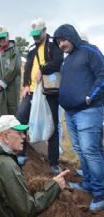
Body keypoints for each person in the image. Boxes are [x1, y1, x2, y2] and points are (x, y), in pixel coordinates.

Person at [0, 115, 70, 217]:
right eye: (19, 133)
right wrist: (55, 186)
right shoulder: (7, 166)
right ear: (6, 136)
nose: (24, 136)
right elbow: (27, 210)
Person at [54, 24, 104, 211]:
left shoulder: (90, 51)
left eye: (63, 40)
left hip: (88, 111)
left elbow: (102, 75)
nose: (61, 44)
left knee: (91, 151)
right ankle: (89, 183)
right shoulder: (68, 58)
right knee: (81, 151)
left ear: (72, 37)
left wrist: (90, 96)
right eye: (58, 42)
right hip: (72, 112)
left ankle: (100, 192)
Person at [15, 18, 63, 173]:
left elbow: (58, 62)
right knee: (20, 119)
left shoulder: (53, 45)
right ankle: (21, 153)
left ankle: (54, 162)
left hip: (49, 91)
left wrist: (43, 70)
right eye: (33, 34)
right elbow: (28, 69)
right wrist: (25, 85)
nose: (35, 36)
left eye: (38, 33)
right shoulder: (31, 49)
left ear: (44, 30)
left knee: (53, 125)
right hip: (32, 91)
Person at [0, 26, 21, 127]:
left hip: (12, 88)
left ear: (8, 36)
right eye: (0, 38)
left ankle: (16, 138)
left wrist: (3, 82)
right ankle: (1, 139)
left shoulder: (14, 50)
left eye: (4, 37)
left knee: (13, 112)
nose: (2, 40)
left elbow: (14, 68)